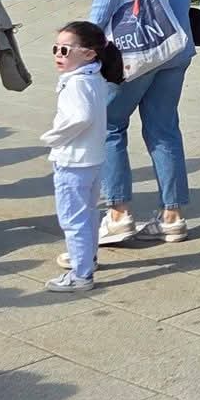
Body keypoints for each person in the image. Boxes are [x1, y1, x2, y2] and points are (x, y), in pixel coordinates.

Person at [86, 0, 194, 245]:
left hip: (136, 46)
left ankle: (118, 212)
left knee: (107, 123)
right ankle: (172, 215)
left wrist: (86, 42)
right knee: (164, 127)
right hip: (176, 39)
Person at [46, 21, 122, 294]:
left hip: (73, 161)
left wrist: (54, 137)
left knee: (73, 219)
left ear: (89, 53)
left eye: (65, 50)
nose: (58, 55)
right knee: (87, 214)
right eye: (56, 49)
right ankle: (87, 261)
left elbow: (81, 116)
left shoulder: (77, 82)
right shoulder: (93, 77)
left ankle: (80, 275)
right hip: (91, 159)